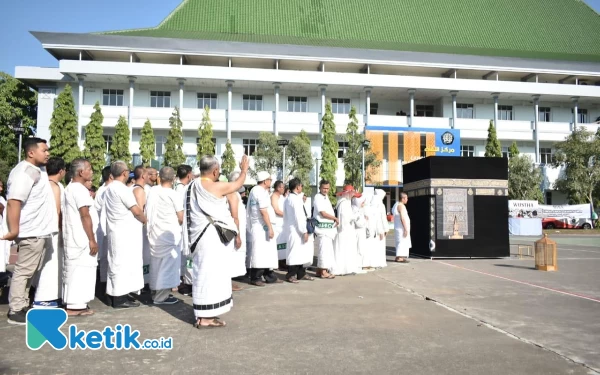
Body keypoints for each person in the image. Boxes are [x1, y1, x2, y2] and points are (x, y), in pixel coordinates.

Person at [186, 155, 248, 328]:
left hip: (200, 238)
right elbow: (237, 185)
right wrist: (244, 169)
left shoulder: (192, 185)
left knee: (205, 274)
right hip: (210, 238)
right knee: (210, 275)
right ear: (215, 171)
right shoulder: (213, 186)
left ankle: (206, 314)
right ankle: (205, 317)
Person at [2, 138, 56, 325]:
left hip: (40, 231)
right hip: (30, 231)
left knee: (30, 271)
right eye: (44, 150)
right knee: (24, 271)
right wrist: (14, 229)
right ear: (31, 152)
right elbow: (14, 201)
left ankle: (23, 304)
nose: (47, 153)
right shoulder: (24, 172)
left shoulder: (37, 170)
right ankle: (15, 309)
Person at [104, 161, 147, 308]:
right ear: (124, 173)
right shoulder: (122, 189)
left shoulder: (109, 188)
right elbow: (135, 210)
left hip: (116, 229)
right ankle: (119, 298)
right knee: (122, 264)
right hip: (123, 232)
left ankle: (114, 294)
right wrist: (144, 219)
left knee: (115, 263)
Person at [62, 159, 99, 316]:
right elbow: (85, 215)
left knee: (80, 271)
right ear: (81, 172)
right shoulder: (78, 189)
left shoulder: (72, 188)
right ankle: (74, 306)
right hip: (81, 239)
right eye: (89, 169)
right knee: (80, 271)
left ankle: (79, 305)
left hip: (77, 237)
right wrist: (91, 239)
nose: (91, 172)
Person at [31, 157, 66, 308]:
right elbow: (57, 211)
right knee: (51, 265)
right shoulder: (54, 186)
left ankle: (45, 294)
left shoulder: (45, 184)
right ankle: (44, 298)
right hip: (52, 231)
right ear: (61, 171)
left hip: (44, 229)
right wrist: (61, 231)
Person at [146, 166, 183, 305]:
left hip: (155, 232)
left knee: (156, 265)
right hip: (169, 234)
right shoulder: (174, 194)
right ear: (173, 179)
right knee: (167, 266)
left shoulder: (153, 191)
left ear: (159, 177)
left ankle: (155, 292)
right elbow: (181, 216)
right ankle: (161, 297)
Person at [246, 171, 282, 286]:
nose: (271, 182)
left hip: (263, 226)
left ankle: (269, 275)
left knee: (268, 252)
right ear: (265, 181)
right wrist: (270, 228)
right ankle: (256, 277)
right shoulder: (259, 191)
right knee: (260, 252)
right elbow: (263, 211)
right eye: (270, 180)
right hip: (262, 227)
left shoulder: (256, 190)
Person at [283, 179, 314, 283]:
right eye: (301, 186)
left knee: (300, 252)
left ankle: (301, 273)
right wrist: (304, 231)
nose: (302, 188)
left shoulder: (291, 198)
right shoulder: (294, 200)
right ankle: (290, 274)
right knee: (294, 253)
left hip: (295, 229)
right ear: (297, 187)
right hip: (296, 230)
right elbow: (299, 217)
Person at [331, 185, 361, 276]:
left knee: (346, 249)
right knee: (343, 249)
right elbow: (345, 217)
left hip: (346, 229)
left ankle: (347, 268)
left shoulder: (344, 202)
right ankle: (343, 268)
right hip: (344, 230)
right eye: (352, 193)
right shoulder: (344, 203)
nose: (352, 196)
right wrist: (355, 217)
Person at [313, 180, 338, 279]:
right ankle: (323, 272)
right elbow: (322, 213)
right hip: (322, 229)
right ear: (320, 187)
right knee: (324, 250)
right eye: (324, 188)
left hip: (327, 229)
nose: (326, 190)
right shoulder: (318, 197)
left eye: (327, 188)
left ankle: (319, 271)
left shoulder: (326, 197)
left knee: (325, 250)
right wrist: (335, 218)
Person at [175, 164, 194, 297]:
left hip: (180, 226)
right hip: (184, 226)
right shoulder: (184, 189)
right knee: (188, 257)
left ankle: (183, 281)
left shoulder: (176, 187)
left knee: (183, 256)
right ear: (188, 174)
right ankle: (186, 283)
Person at [226, 170, 247, 290]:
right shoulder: (230, 194)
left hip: (238, 230)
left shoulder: (236, 194)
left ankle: (230, 281)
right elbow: (234, 217)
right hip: (233, 232)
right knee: (231, 257)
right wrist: (237, 235)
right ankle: (228, 282)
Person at [131, 165, 151, 287]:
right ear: (143, 176)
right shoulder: (139, 190)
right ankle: (143, 282)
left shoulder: (135, 188)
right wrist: (146, 222)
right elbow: (140, 210)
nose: (149, 177)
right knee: (143, 256)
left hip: (140, 227)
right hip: (140, 228)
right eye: (148, 174)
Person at [95, 166, 113, 287]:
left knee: (107, 258)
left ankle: (106, 282)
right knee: (107, 257)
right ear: (111, 176)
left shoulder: (103, 190)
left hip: (106, 227)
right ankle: (105, 284)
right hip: (105, 228)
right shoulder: (106, 190)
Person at [371, 189, 389, 268]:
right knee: (380, 247)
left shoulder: (371, 203)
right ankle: (379, 262)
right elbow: (382, 218)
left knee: (373, 246)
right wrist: (385, 229)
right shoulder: (381, 205)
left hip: (372, 229)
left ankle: (373, 262)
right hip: (379, 229)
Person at [270, 180, 287, 265]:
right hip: (277, 223)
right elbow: (276, 210)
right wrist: (287, 215)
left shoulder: (282, 197)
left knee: (283, 243)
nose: (284, 189)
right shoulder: (274, 196)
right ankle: (278, 262)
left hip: (283, 223)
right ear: (278, 188)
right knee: (278, 243)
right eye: (282, 187)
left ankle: (283, 260)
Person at [393, 193, 411, 263]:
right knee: (401, 242)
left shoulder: (396, 204)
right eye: (406, 198)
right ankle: (399, 257)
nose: (407, 199)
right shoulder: (400, 206)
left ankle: (399, 256)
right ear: (403, 198)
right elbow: (402, 218)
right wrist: (406, 229)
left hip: (399, 227)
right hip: (401, 228)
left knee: (401, 242)